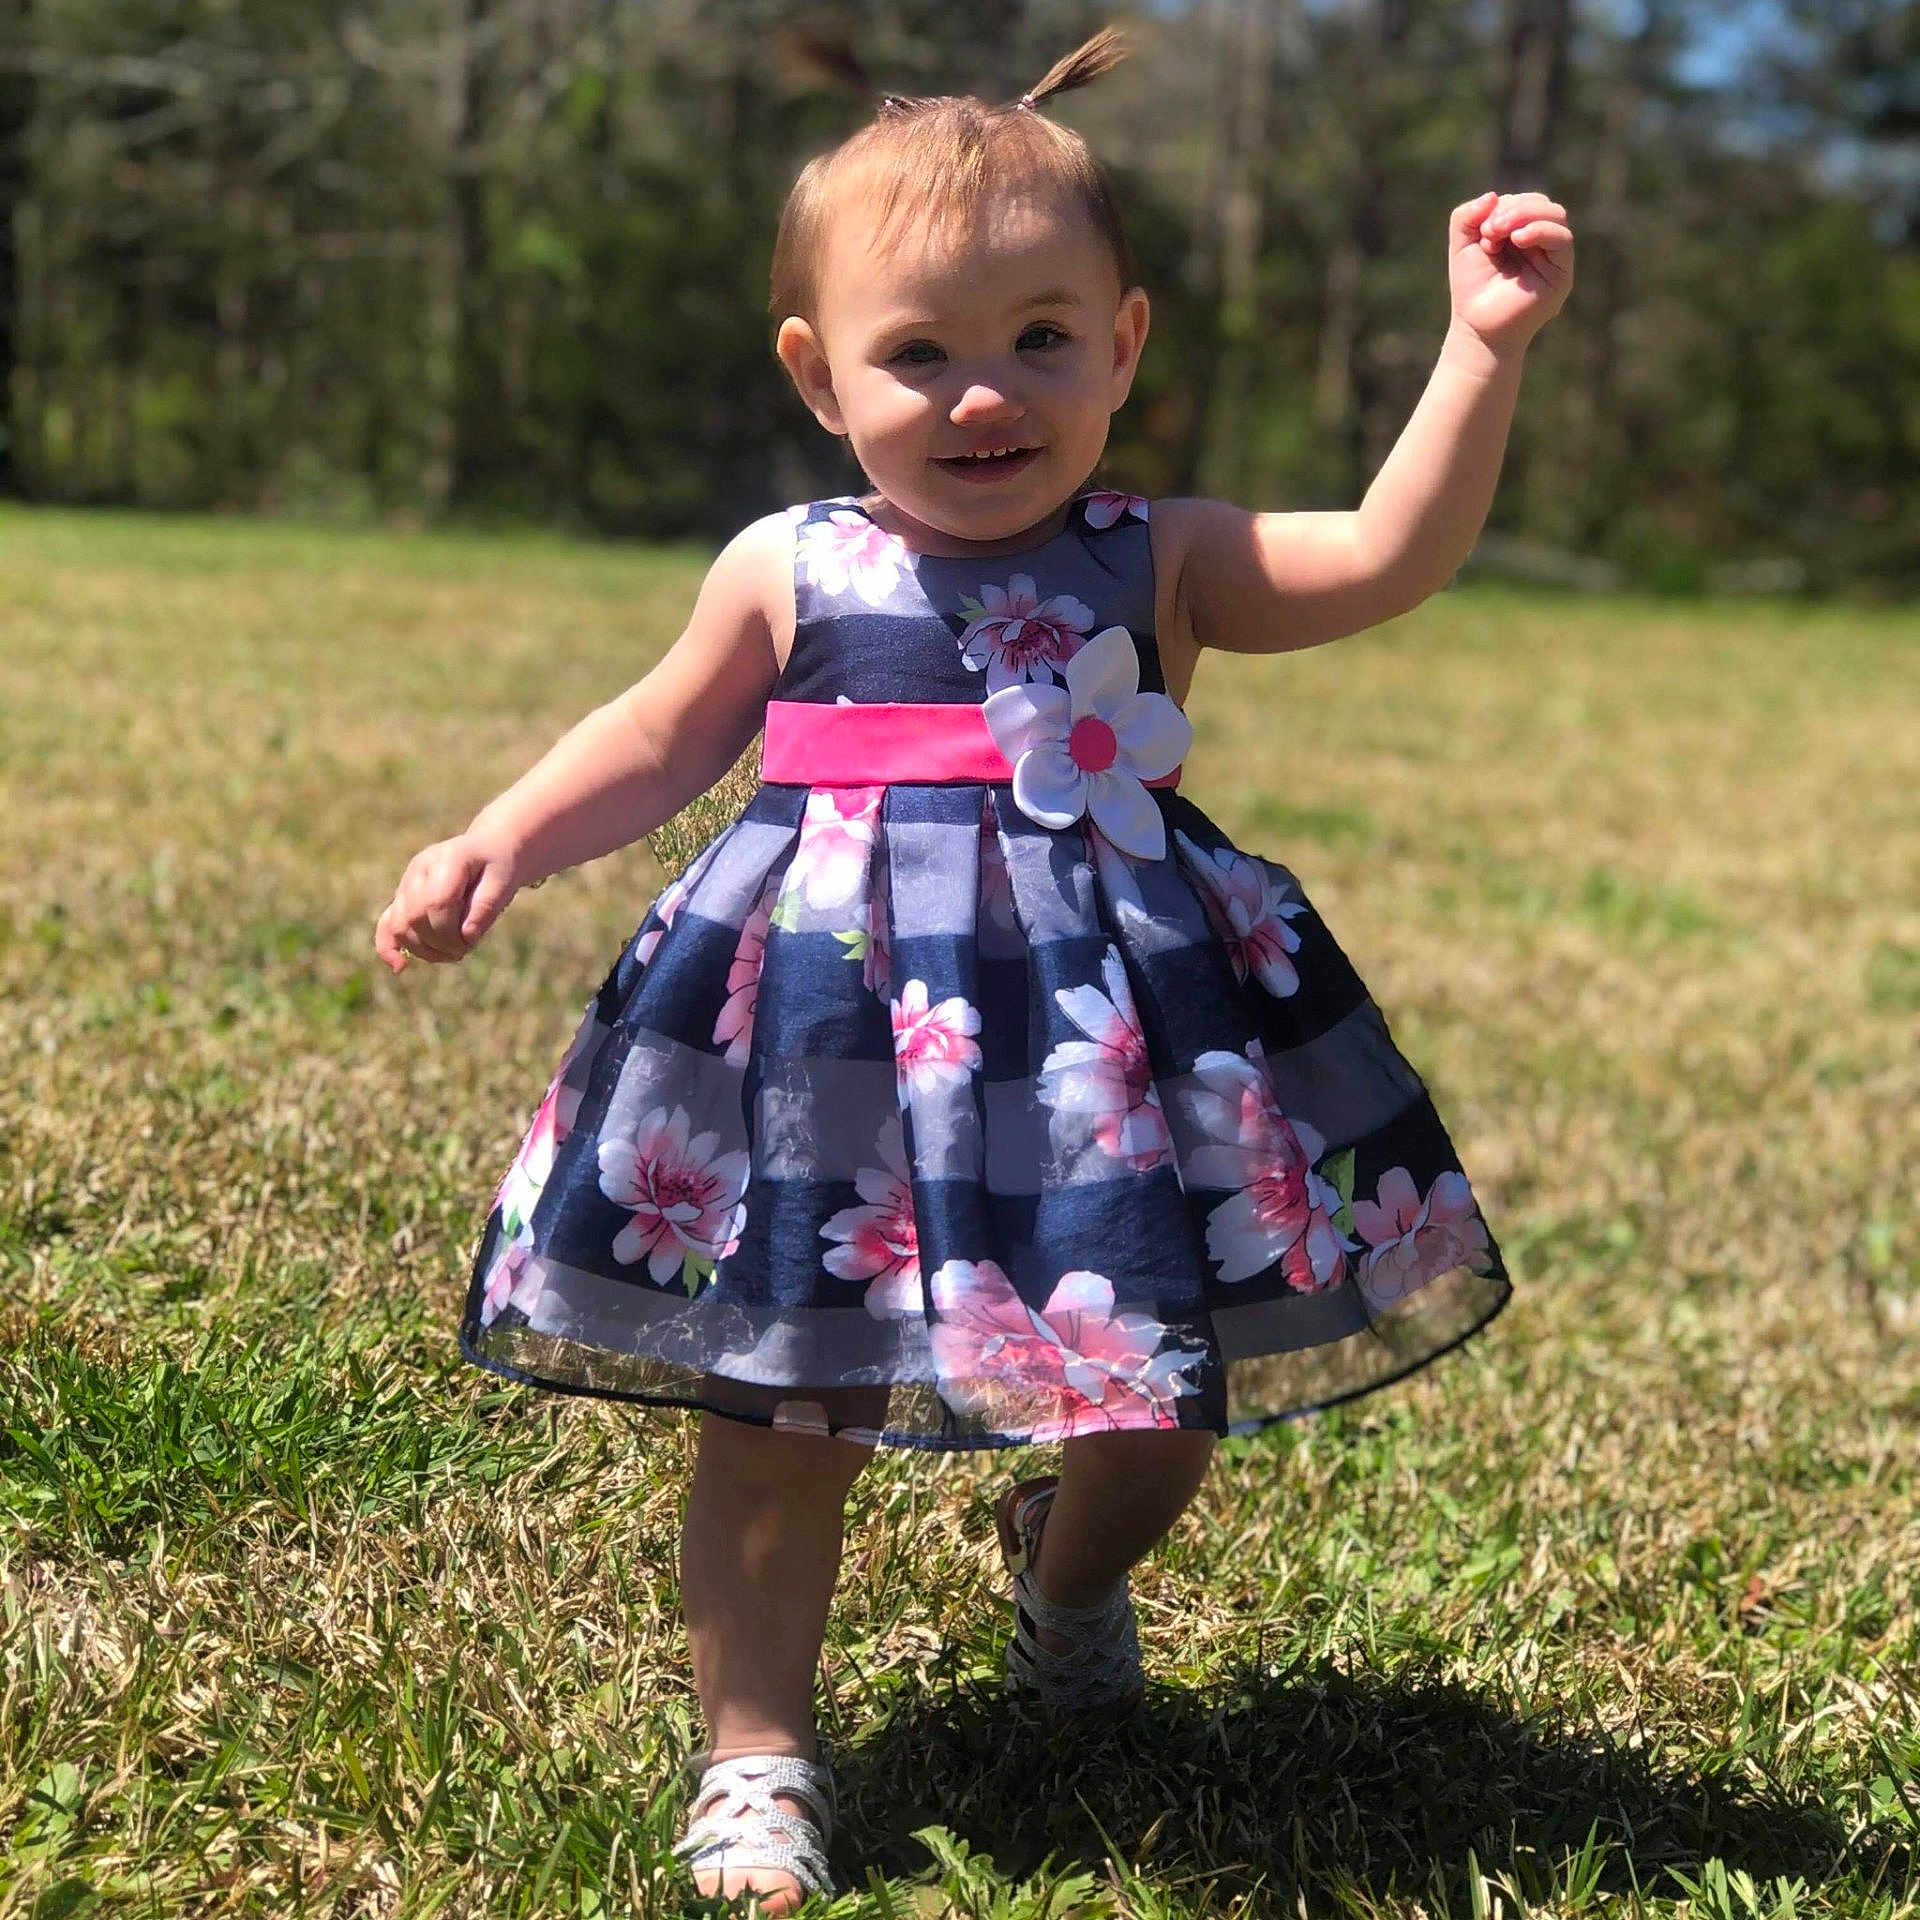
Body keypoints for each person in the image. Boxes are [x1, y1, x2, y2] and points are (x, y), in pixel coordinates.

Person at [373, 25, 1572, 1911]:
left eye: (1038, 335)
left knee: (1155, 1404)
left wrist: (1481, 350)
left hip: (1107, 1053)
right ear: (819, 378)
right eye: (917, 350)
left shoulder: (1155, 556)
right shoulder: (788, 564)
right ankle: (757, 1753)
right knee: (782, 1411)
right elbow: (657, 734)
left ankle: (1068, 1579)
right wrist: (502, 839)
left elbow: (1383, 557)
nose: (983, 392)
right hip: (828, 1051)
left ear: (1124, 344)